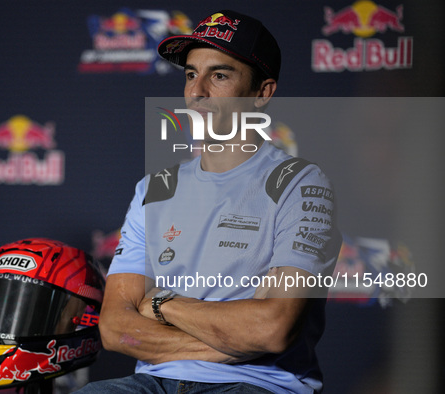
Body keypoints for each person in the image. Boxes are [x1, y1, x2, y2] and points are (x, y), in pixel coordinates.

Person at [77, 9, 342, 394]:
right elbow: (115, 328)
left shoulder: (300, 183)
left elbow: (272, 328)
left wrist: (162, 302)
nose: (196, 91)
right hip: (153, 381)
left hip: (255, 384)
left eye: (219, 75)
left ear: (261, 93)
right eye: (190, 74)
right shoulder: (155, 188)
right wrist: (228, 342)